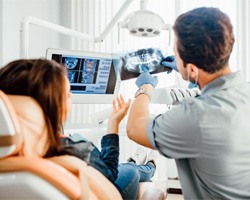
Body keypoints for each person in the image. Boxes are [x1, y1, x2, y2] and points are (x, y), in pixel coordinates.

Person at [126, 7, 250, 199]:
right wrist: (195, 77)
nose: (175, 57)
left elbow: (134, 128)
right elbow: (216, 99)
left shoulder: (195, 117)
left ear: (192, 68)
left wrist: (145, 88)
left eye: (176, 54)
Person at [0, 58, 158, 200]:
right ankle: (150, 166)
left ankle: (138, 161)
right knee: (130, 170)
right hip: (104, 186)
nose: (71, 98)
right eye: (68, 94)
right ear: (57, 106)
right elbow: (109, 173)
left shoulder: (15, 157)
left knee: (125, 166)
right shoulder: (77, 151)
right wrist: (114, 123)